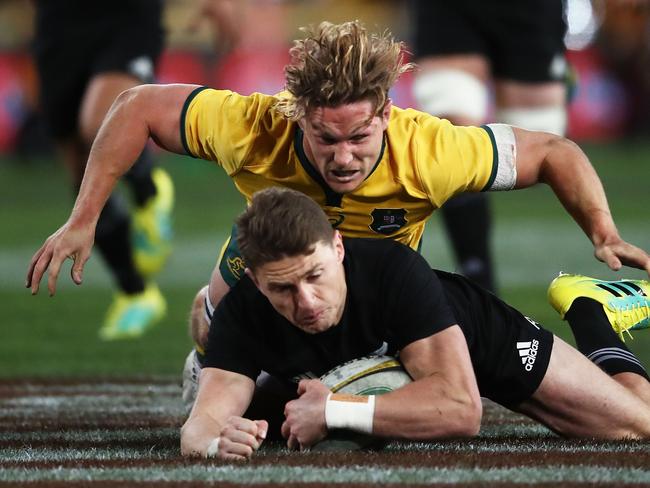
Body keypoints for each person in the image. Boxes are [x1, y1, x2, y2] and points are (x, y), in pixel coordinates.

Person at [25, 21, 650, 361]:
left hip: (380, 281)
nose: (344, 158)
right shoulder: (251, 126)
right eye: (325, 138)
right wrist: (84, 217)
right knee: (210, 329)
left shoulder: (430, 149)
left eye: (359, 137)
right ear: (297, 114)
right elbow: (135, 106)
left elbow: (555, 152)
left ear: (384, 111)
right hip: (272, 260)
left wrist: (603, 229)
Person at [179, 187, 650, 460]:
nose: (305, 301)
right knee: (260, 418)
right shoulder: (243, 311)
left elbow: (462, 411)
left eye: (315, 276)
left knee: (637, 424)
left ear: (338, 249)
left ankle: (592, 309)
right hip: (325, 377)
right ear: (257, 283)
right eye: (282, 289)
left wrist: (334, 411)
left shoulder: (395, 272)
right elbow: (199, 426)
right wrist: (215, 441)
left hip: (469, 343)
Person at [31, 0, 174, 340]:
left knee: (99, 123)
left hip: (126, 16)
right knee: (81, 171)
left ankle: (147, 191)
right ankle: (136, 293)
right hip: (57, 24)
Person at [411, 0, 570, 292]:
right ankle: (479, 282)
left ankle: (561, 78)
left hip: (531, 11)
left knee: (543, 143)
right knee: (452, 135)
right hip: (451, 8)